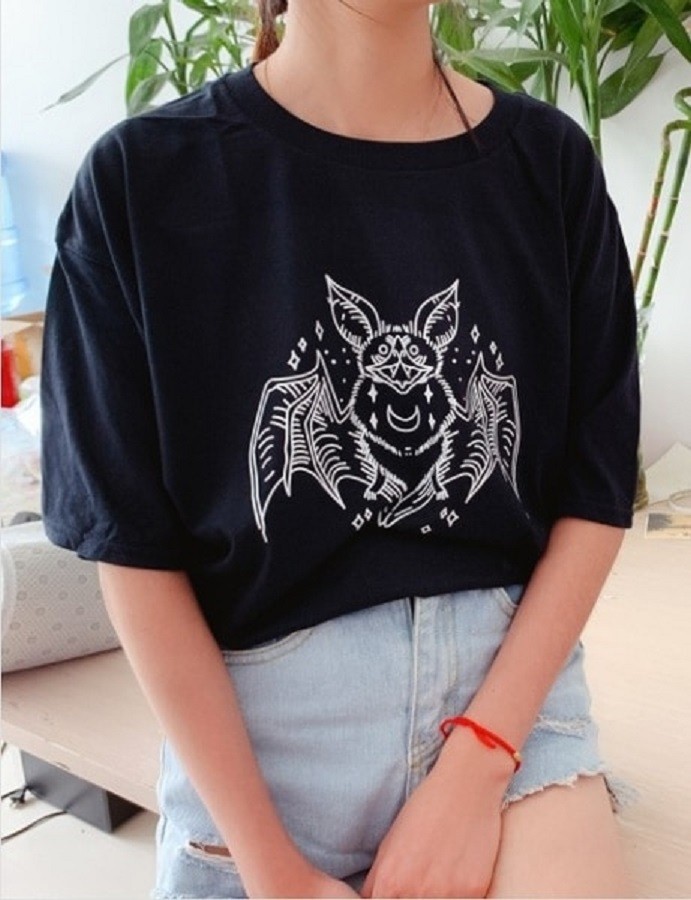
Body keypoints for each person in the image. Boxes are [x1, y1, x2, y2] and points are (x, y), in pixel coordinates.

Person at [40, 0, 641, 897]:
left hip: (508, 701)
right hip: (260, 743)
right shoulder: (143, 179)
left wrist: (479, 758)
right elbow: (131, 548)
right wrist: (271, 867)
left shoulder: (547, 163)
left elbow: (593, 492)